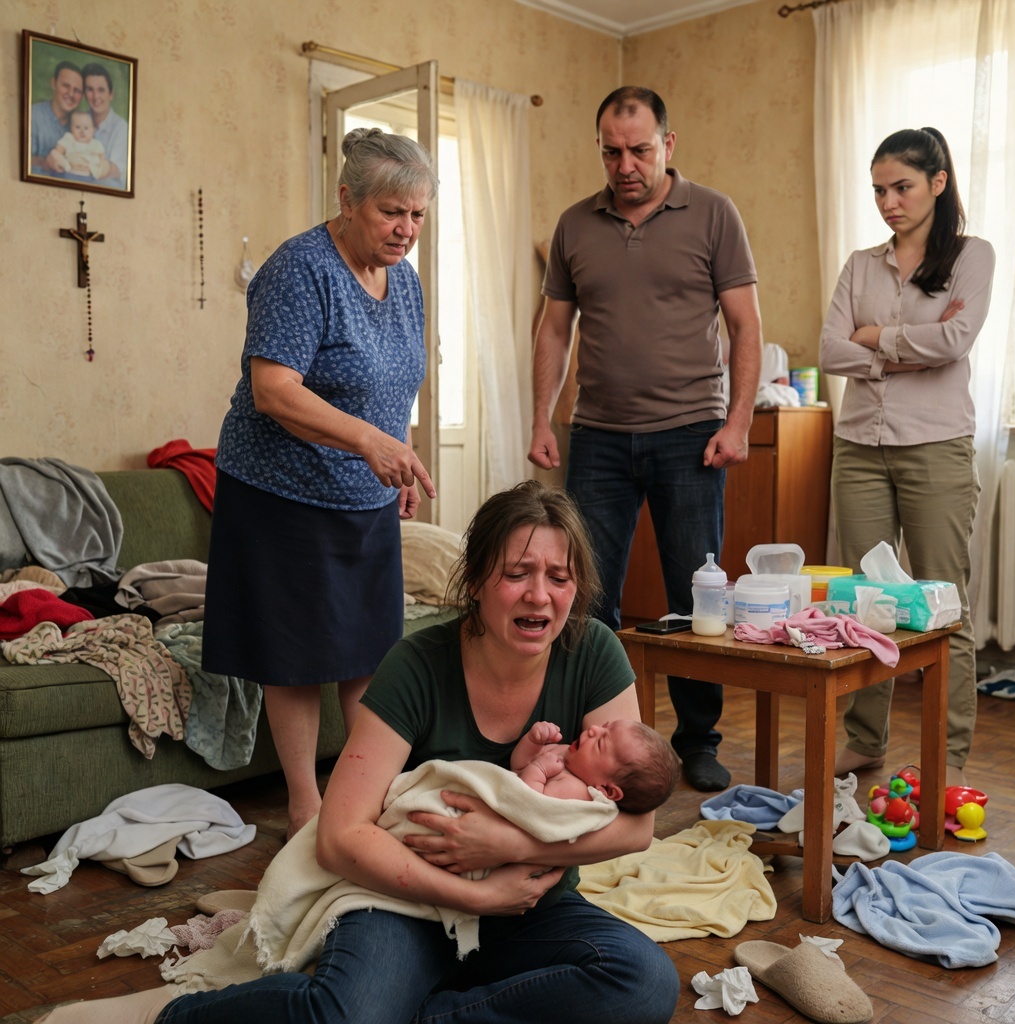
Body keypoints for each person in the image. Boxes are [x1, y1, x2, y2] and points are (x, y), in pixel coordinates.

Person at [40, 480, 680, 1024]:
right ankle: (176, 1016)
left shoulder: (592, 650)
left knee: (645, 982)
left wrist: (510, 849)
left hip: (528, 901)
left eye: (558, 578)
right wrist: (474, 898)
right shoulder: (418, 663)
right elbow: (340, 836)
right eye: (517, 574)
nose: (540, 595)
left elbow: (636, 825)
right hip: (406, 901)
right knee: (346, 1015)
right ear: (478, 581)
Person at [202, 127, 438, 840]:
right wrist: (370, 442)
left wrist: (398, 457)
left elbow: (397, 383)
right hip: (281, 493)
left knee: (368, 654)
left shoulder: (406, 282)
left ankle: (360, 795)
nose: (405, 229)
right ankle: (305, 808)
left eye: (418, 215)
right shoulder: (298, 270)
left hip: (361, 496)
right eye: (391, 212)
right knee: (297, 659)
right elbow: (273, 390)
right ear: (347, 199)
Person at [530, 85, 764, 793]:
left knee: (696, 597)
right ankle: (586, 734)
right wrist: (541, 416)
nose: (624, 164)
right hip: (597, 434)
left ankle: (697, 740)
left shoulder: (715, 214)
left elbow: (746, 326)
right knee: (584, 593)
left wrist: (739, 421)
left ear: (668, 144)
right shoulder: (575, 225)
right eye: (611, 150)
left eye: (638, 148)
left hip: (691, 433)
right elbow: (553, 328)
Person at [819, 127, 995, 788]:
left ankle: (946, 757)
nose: (888, 202)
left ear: (938, 183)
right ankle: (865, 741)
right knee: (870, 601)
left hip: (937, 448)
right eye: (878, 190)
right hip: (858, 448)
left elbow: (955, 339)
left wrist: (875, 338)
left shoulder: (972, 256)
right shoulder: (862, 263)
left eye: (902, 187)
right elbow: (830, 347)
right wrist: (905, 344)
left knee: (944, 604)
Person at [512, 718, 680, 812]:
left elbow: (529, 807)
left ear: (606, 790)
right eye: (603, 726)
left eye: (600, 743)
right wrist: (533, 741)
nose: (593, 729)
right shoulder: (570, 757)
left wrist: (538, 770)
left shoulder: (575, 791)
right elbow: (519, 767)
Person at [81, 63, 129, 189]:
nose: (96, 96)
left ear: (111, 94)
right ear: (84, 93)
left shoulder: (121, 128)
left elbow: (116, 173)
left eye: (101, 90)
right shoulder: (78, 121)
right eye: (90, 89)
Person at [30, 60, 83, 173]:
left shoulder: (82, 125)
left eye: (77, 90)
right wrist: (46, 162)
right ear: (54, 83)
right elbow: (16, 159)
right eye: (66, 86)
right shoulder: (33, 115)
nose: (71, 94)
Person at [47, 110, 106, 178]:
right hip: (69, 171)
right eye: (77, 127)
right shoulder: (70, 139)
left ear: (93, 130)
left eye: (86, 128)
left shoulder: (95, 144)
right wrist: (59, 158)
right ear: (71, 129)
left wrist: (97, 166)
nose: (82, 131)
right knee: (54, 153)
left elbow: (102, 157)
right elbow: (58, 150)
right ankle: (65, 166)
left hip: (88, 174)